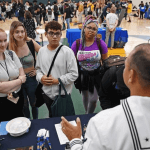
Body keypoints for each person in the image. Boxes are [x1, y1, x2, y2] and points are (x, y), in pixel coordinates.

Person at [61, 43, 150, 150]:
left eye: (125, 65)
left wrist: (74, 140)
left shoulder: (103, 123)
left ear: (132, 75)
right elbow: (104, 96)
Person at [36, 21, 78, 118]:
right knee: (52, 116)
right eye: (51, 33)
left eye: (57, 33)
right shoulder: (41, 51)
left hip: (62, 94)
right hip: (46, 94)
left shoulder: (67, 52)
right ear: (46, 34)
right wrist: (41, 78)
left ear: (60, 34)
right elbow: (38, 70)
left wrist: (58, 81)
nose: (54, 36)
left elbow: (74, 74)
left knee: (64, 119)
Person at [71, 15, 108, 114]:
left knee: (93, 99)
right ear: (84, 28)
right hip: (83, 75)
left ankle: (88, 114)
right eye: (89, 28)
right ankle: (87, 113)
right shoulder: (77, 44)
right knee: (85, 96)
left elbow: (105, 61)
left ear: (97, 31)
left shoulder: (101, 44)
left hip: (96, 75)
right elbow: (70, 60)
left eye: (94, 29)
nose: (91, 30)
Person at [9, 21, 41, 120]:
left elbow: (45, 54)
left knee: (34, 104)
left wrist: (38, 70)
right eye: (17, 32)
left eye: (22, 31)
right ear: (12, 33)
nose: (20, 34)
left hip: (32, 78)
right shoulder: (8, 47)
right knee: (24, 105)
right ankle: (27, 122)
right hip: (17, 81)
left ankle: (35, 122)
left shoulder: (30, 43)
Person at [0, 28, 26, 122]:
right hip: (2, 102)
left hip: (18, 97)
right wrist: (19, 81)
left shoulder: (11, 54)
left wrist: (5, 86)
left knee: (20, 122)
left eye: (5, 40)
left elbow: (22, 74)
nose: (3, 44)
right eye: (0, 41)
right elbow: (0, 87)